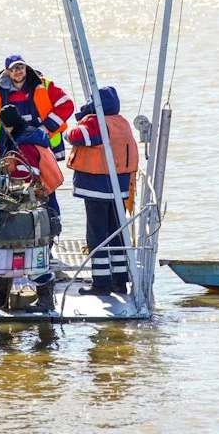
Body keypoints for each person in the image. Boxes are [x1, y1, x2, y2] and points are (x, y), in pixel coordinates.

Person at [64, 86, 139, 296]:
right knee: (116, 234)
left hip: (97, 188)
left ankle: (101, 283)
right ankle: (120, 281)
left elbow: (77, 136)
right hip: (119, 190)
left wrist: (72, 126)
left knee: (96, 236)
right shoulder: (121, 122)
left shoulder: (96, 122)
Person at [0, 105, 62, 313]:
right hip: (45, 203)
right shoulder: (31, 135)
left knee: (33, 253)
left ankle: (46, 301)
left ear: (6, 125)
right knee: (9, 249)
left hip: (37, 208)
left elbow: (26, 177)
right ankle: (1, 296)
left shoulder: (24, 144)